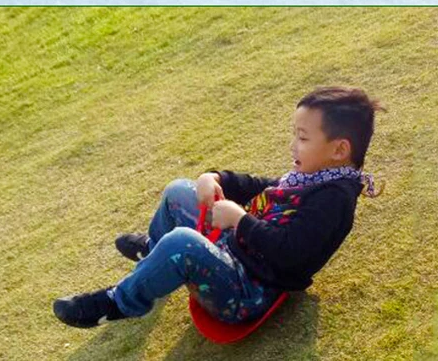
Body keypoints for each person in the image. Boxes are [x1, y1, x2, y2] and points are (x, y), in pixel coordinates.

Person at [52, 87, 385, 328]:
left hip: (250, 290)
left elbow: (292, 254)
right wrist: (215, 178)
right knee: (178, 192)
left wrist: (240, 221)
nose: (292, 144)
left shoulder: (333, 198)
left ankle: (116, 303)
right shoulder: (312, 177)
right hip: (235, 252)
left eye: (303, 137)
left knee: (183, 242)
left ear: (339, 149)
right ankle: (155, 253)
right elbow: (262, 187)